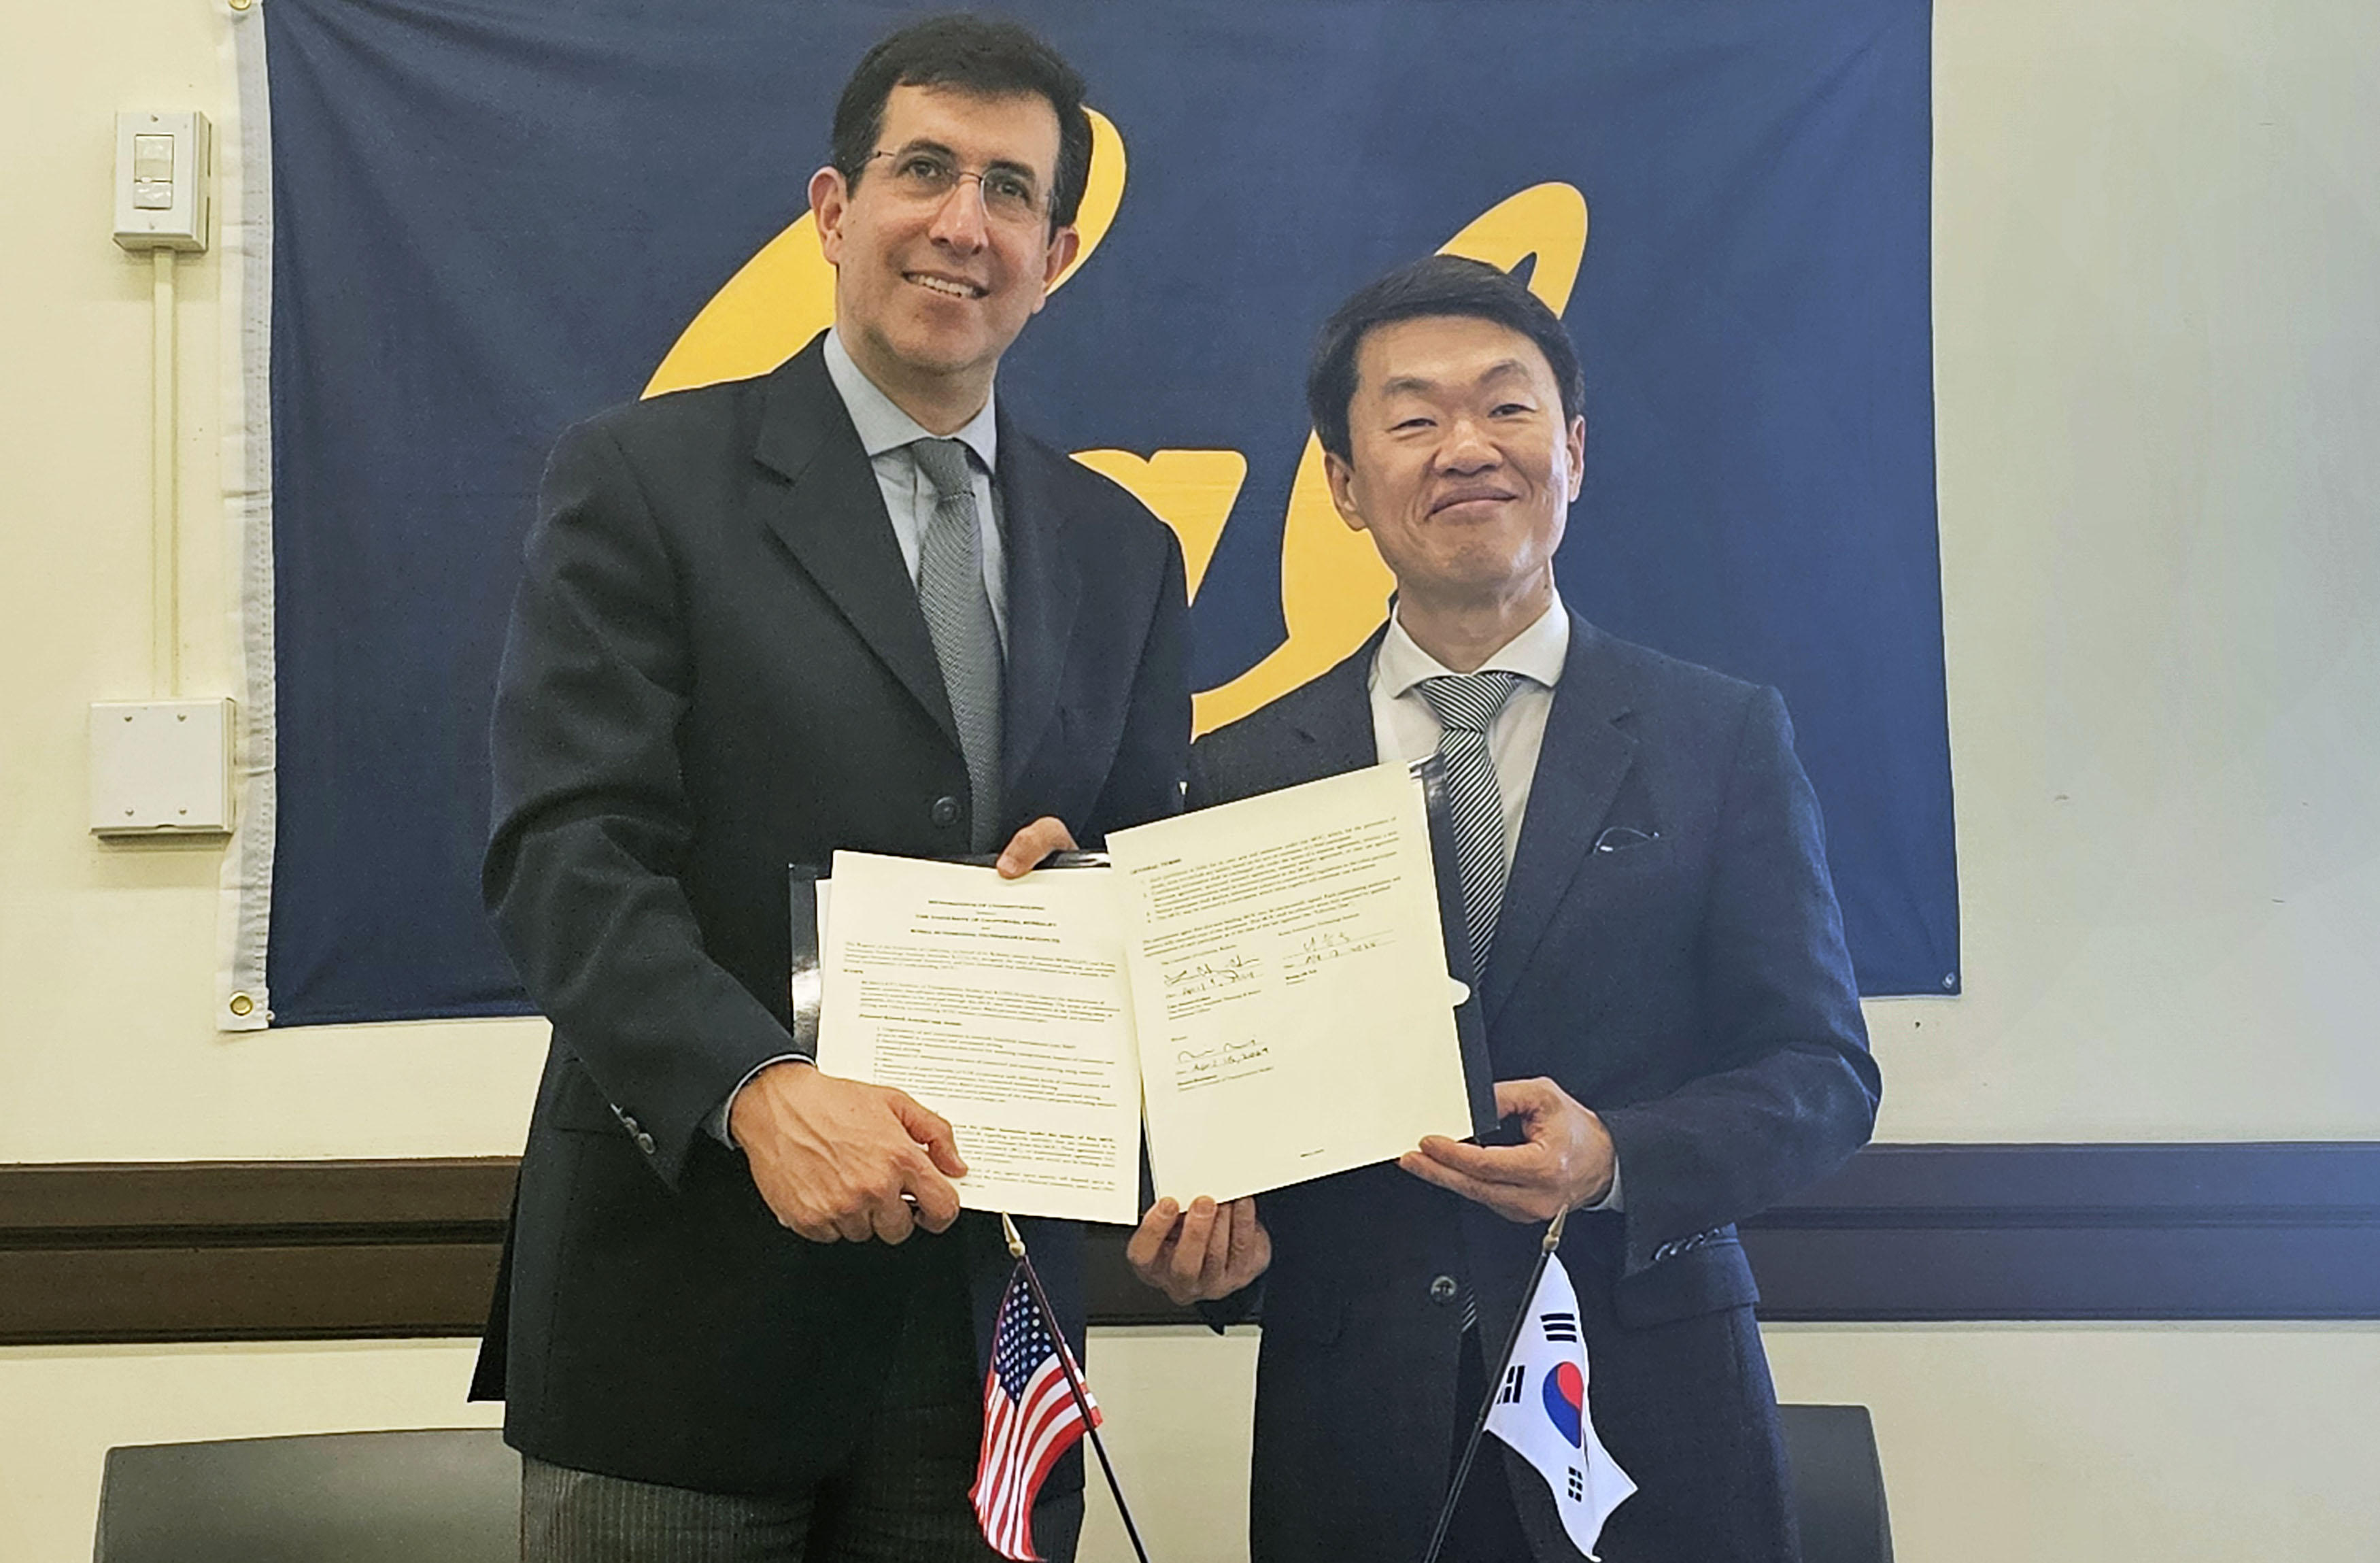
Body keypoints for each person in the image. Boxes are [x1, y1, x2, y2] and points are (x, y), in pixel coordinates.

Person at [472, 16, 1189, 1560]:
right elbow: (566, 851)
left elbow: (1153, 873)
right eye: (924, 169)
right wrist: (754, 1087)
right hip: (682, 1315)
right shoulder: (642, 479)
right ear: (833, 210)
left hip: (989, 1335)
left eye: (1010, 190)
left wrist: (1102, 900)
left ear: (1056, 256)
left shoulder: (1125, 551)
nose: (962, 223)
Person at [1126, 255, 1880, 1562]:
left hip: (1652, 1418)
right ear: (1343, 485)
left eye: (1507, 407)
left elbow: (1823, 1073)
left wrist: (1617, 1155)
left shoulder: (1718, 738)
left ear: (1573, 451)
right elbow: (1213, 1109)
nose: (1466, 447)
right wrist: (1209, 1251)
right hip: (1353, 1435)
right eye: (1414, 417)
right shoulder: (1239, 774)